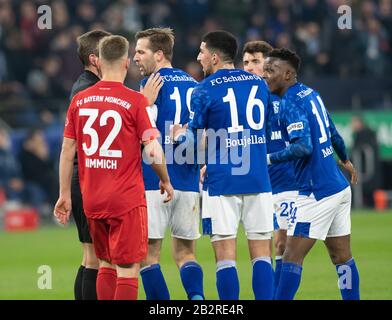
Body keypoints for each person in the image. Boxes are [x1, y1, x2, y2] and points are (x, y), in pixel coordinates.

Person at [54, 35, 174, 300]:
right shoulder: (135, 101)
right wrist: (165, 179)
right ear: (126, 62)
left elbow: (67, 150)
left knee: (104, 264)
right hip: (125, 199)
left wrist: (64, 194)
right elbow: (153, 149)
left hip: (92, 199)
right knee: (128, 269)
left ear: (99, 60)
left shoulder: (80, 100)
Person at [173, 31, 275, 300]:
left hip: (222, 180)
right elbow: (263, 128)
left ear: (215, 57)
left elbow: (192, 140)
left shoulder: (203, 89)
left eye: (202, 51)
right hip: (257, 178)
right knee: (262, 254)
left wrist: (177, 136)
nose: (199, 57)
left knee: (226, 256)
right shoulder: (259, 84)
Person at [263, 48, 360, 300]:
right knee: (341, 257)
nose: (265, 75)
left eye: (270, 70)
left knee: (291, 257)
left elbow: (303, 146)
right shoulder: (311, 94)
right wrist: (345, 159)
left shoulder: (289, 103)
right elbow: (332, 131)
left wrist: (269, 158)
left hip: (316, 191)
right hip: (338, 188)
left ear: (287, 74)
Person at [133, 28, 204, 300]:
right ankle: (197, 300)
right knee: (186, 254)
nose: (136, 57)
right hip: (187, 179)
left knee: (148, 257)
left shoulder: (150, 85)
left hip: (155, 181)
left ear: (159, 54)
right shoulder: (194, 84)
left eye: (141, 51)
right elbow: (202, 136)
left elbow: (145, 134)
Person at [243, 40, 299, 296]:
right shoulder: (243, 99)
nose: (250, 67)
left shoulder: (284, 97)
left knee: (282, 243)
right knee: (262, 247)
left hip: (287, 181)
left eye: (255, 61)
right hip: (259, 183)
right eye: (246, 62)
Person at [68, 29, 111, 301]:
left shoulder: (82, 86)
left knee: (89, 256)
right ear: (95, 59)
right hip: (87, 179)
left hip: (82, 179)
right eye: (108, 52)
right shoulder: (88, 90)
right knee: (95, 257)